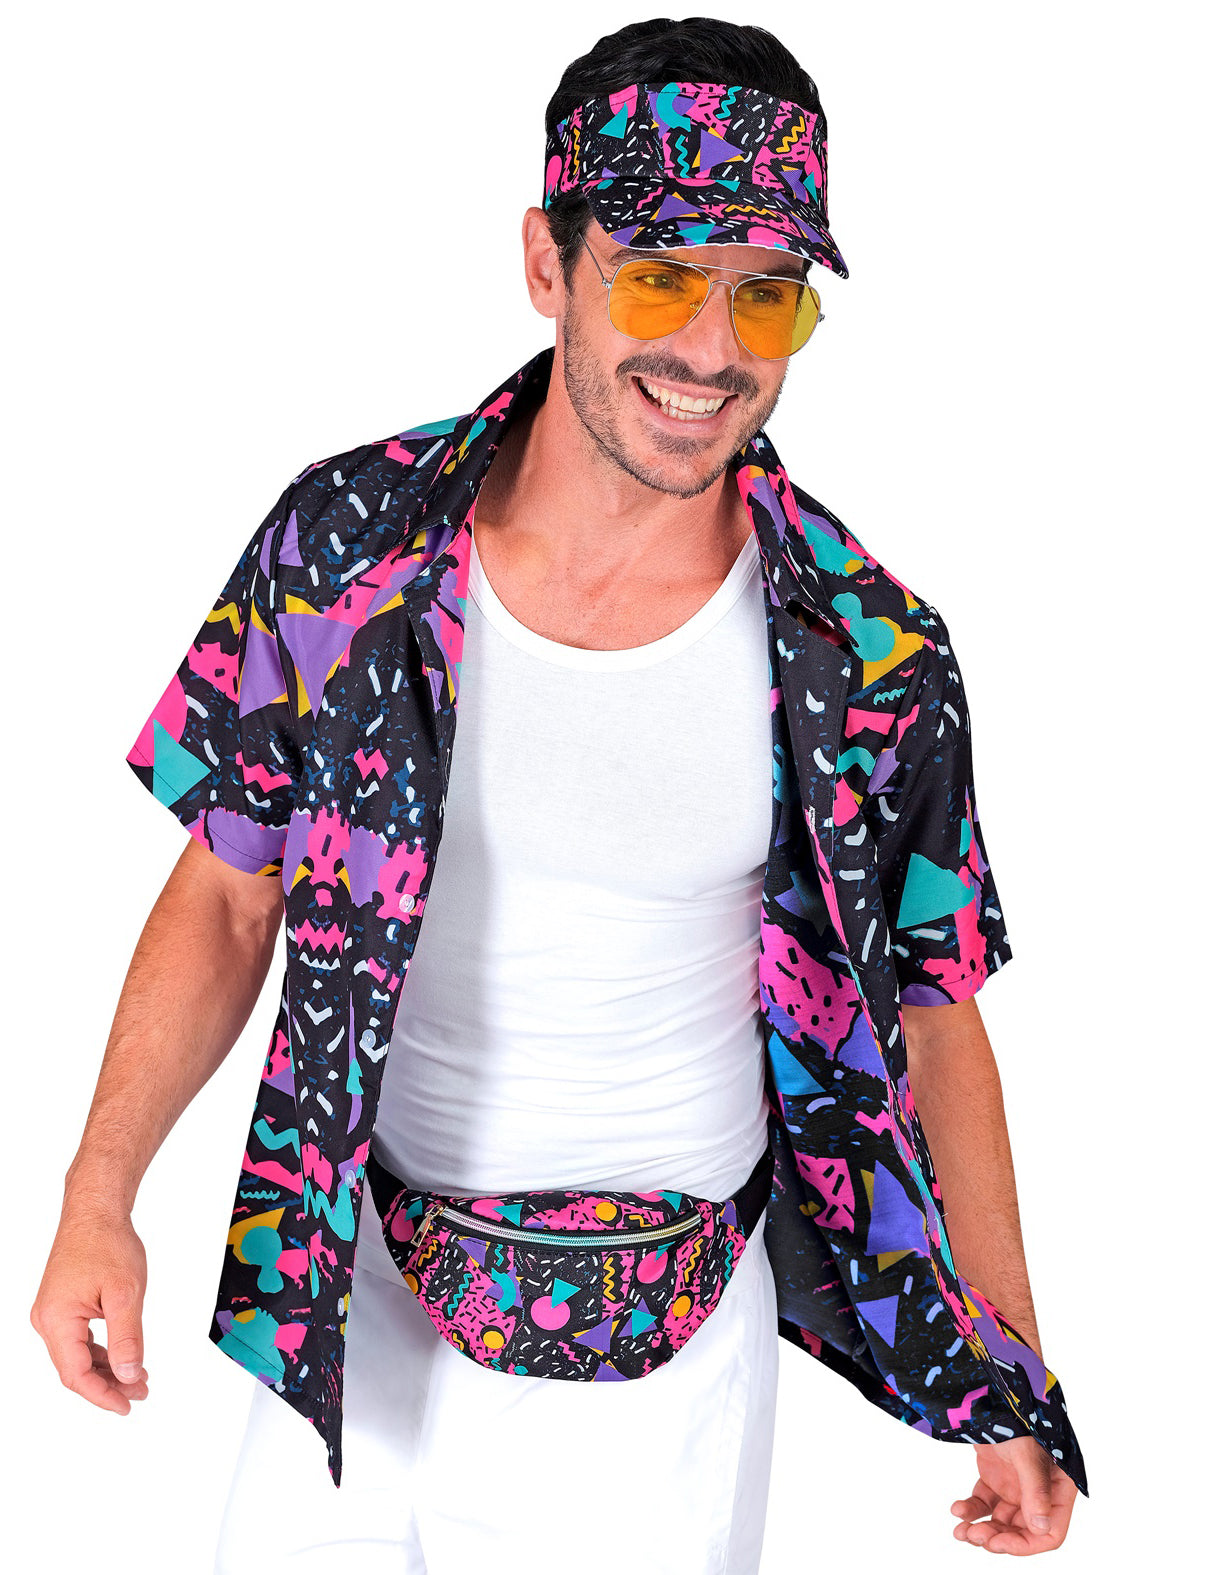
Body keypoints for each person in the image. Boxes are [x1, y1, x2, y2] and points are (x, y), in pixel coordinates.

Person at [31, 17, 1087, 1571]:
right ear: (547, 262)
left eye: (766, 292)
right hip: (362, 1316)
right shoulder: (348, 550)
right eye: (658, 278)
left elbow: (934, 1022)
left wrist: (1007, 1372)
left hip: (671, 1371)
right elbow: (226, 891)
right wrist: (98, 1192)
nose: (713, 349)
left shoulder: (867, 656)